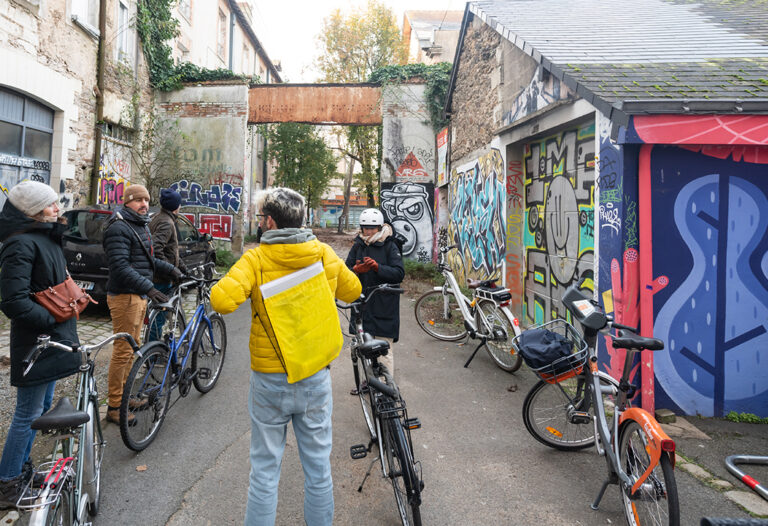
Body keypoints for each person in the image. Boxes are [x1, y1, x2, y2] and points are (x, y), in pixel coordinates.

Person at [210, 187, 361, 526]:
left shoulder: (255, 260)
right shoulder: (322, 254)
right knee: (319, 471)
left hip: (270, 380)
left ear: (269, 221)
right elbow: (353, 290)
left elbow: (221, 302)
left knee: (264, 472)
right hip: (314, 375)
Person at [0, 181, 82, 509]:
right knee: (27, 413)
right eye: (50, 205)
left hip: (50, 340)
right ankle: (7, 484)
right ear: (33, 210)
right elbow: (13, 301)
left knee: (40, 408)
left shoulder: (43, 237)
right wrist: (51, 322)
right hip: (37, 341)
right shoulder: (20, 244)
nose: (57, 208)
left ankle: (20, 469)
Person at [102, 184, 182, 424]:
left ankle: (125, 398)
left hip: (136, 296)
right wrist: (148, 288)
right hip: (125, 296)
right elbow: (120, 267)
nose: (143, 204)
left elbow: (150, 260)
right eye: (138, 200)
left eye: (146, 200)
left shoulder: (140, 225)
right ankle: (115, 406)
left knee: (133, 347)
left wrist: (175, 270)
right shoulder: (119, 228)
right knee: (123, 351)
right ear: (127, 202)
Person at [345, 208, 405, 382]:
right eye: (365, 228)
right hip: (362, 304)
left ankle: (387, 387)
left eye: (372, 228)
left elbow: (399, 273)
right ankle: (370, 383)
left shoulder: (390, 245)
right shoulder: (358, 245)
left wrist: (378, 268)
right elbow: (345, 270)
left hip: (384, 304)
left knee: (384, 348)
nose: (368, 231)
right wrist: (355, 270)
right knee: (363, 346)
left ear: (380, 227)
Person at [147, 188, 187, 341]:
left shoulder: (159, 217)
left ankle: (153, 350)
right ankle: (153, 355)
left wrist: (183, 268)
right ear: (175, 206)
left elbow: (171, 251)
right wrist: (171, 270)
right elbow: (156, 251)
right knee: (158, 318)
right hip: (161, 278)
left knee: (158, 316)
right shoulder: (166, 222)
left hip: (160, 275)